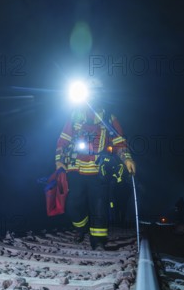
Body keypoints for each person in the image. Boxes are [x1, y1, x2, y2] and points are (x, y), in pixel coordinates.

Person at [55, 78, 136, 249]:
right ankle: (81, 228)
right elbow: (63, 140)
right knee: (73, 205)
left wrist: (127, 158)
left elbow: (120, 142)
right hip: (75, 168)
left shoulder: (109, 118)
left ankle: (98, 242)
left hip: (99, 170)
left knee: (99, 207)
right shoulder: (75, 115)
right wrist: (59, 162)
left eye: (96, 92)